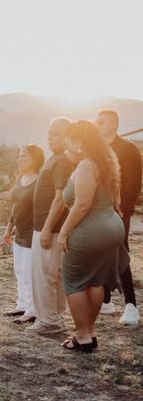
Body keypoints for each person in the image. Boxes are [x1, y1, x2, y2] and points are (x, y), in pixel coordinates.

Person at [58, 120, 127, 352]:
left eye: (67, 140)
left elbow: (82, 205)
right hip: (110, 226)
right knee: (95, 280)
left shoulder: (87, 165)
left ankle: (83, 335)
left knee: (73, 280)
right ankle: (90, 331)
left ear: (78, 141)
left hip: (91, 230)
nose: (65, 144)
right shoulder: (105, 160)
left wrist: (64, 231)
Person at [27, 117, 74, 336]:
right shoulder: (55, 158)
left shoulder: (63, 160)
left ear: (68, 136)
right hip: (46, 227)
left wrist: (46, 228)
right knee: (50, 275)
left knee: (45, 275)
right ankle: (53, 318)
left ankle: (49, 321)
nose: (51, 137)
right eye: (49, 132)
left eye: (57, 133)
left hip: (50, 229)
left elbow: (60, 198)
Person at [95, 110, 143, 325]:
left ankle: (131, 306)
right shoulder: (99, 150)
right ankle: (106, 301)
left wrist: (124, 209)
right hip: (100, 210)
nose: (97, 124)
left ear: (113, 124)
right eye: (96, 121)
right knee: (103, 252)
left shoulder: (128, 149)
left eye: (101, 121)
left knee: (120, 253)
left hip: (119, 211)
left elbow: (133, 183)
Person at [3, 144, 45, 325]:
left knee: (29, 273)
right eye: (19, 156)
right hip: (18, 234)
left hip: (31, 234)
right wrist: (8, 228)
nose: (20, 160)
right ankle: (22, 304)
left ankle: (32, 310)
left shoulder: (39, 182)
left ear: (35, 159)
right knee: (19, 271)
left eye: (24, 157)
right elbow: (15, 206)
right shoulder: (20, 178)